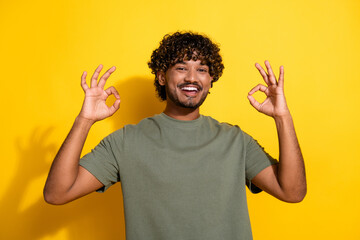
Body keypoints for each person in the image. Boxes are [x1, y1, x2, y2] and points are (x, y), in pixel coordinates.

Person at [44, 32, 306, 240]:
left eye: (202, 69)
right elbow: (57, 193)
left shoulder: (236, 141)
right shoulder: (125, 142)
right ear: (161, 76)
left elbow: (292, 192)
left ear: (210, 80)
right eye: (181, 67)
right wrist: (84, 120)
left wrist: (283, 117)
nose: (192, 77)